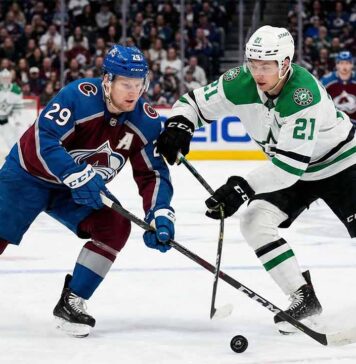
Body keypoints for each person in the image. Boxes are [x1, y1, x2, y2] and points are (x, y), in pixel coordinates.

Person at [157, 25, 356, 334]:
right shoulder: (240, 81)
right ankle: (304, 299)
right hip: (295, 167)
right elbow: (193, 103)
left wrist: (241, 187)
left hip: (343, 164)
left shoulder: (304, 96)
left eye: (267, 66)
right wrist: (180, 124)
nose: (258, 73)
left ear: (286, 64)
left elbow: (288, 167)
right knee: (254, 221)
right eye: (253, 64)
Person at [0, 45, 175, 337]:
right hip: (28, 176)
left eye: (139, 84)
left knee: (115, 225)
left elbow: (152, 173)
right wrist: (75, 174)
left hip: (75, 190)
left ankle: (73, 301)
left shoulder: (145, 121)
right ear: (107, 80)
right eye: (126, 84)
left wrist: (159, 211)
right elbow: (45, 140)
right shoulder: (77, 97)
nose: (134, 92)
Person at [321, 51, 356, 124]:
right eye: (341, 63)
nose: (344, 66)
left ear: (352, 65)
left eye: (347, 63)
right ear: (337, 65)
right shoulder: (326, 81)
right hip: (333, 125)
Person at [0, 69, 24, 161]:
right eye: (3, 78)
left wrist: (17, 119)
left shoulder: (16, 90)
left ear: (10, 78)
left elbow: (18, 106)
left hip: (5, 120)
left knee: (11, 138)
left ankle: (14, 155)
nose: (5, 79)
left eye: (7, 77)